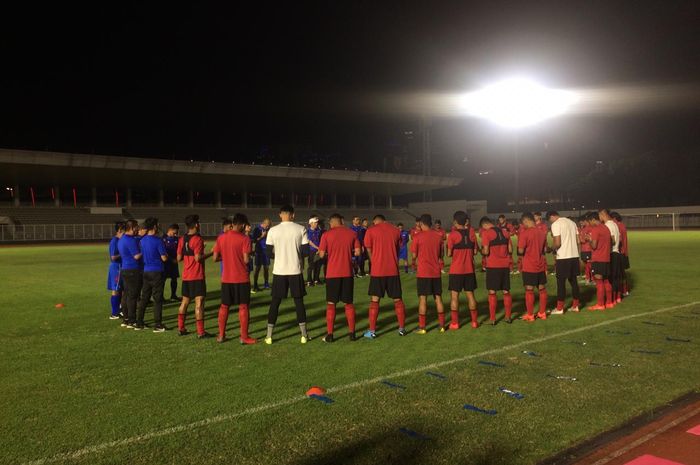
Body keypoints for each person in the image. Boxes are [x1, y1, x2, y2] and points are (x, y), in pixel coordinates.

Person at [265, 205, 310, 344]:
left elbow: (268, 253)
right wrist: (294, 255)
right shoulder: (300, 229)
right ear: (293, 215)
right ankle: (303, 335)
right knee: (299, 303)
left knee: (275, 303)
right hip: (295, 271)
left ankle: (269, 336)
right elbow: (306, 252)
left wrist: (279, 256)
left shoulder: (272, 230)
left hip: (279, 271)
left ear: (280, 215)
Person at [213, 213, 256, 345]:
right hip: (241, 278)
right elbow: (246, 259)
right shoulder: (245, 239)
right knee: (243, 307)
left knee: (224, 306)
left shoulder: (221, 238)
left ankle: (221, 335)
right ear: (242, 225)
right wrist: (250, 255)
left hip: (226, 278)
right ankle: (243, 337)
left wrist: (226, 258)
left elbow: (215, 258)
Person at [318, 213, 361, 342]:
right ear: (341, 221)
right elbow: (358, 252)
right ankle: (352, 333)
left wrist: (328, 254)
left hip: (332, 273)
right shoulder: (352, 233)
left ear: (331, 223)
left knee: (331, 304)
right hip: (347, 273)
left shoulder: (326, 235)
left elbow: (321, 255)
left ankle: (330, 335)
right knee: (348, 303)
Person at [363, 214, 406, 338]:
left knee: (375, 300)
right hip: (392, 270)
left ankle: (372, 331)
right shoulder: (396, 230)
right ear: (385, 220)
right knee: (398, 300)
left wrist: (374, 261)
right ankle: (402, 328)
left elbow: (369, 249)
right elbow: (398, 248)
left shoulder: (371, 231)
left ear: (375, 221)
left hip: (378, 271)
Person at [177, 214, 213, 338]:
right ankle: (201, 332)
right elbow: (198, 258)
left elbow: (179, 258)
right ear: (196, 225)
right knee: (199, 304)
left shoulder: (182, 239)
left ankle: (181, 328)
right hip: (197, 276)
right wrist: (211, 253)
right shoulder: (197, 239)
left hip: (186, 276)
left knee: (184, 302)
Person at [411, 214, 446, 333]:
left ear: (421, 223)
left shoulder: (417, 237)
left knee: (423, 299)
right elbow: (441, 255)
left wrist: (414, 261)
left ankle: (422, 327)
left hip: (423, 273)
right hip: (435, 272)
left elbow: (414, 255)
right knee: (438, 298)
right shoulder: (438, 236)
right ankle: (441, 326)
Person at [447, 211, 479, 329]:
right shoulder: (471, 233)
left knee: (454, 296)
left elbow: (449, 254)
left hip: (456, 270)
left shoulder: (452, 235)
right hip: (469, 270)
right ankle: (474, 322)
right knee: (470, 295)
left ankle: (455, 323)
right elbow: (475, 251)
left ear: (455, 221)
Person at [136, 217, 168, 331]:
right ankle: (158, 324)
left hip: (146, 271)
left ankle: (139, 322)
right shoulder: (158, 240)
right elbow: (164, 258)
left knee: (144, 297)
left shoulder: (142, 240)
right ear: (154, 227)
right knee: (157, 299)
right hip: (157, 271)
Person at [480, 216, 514, 324]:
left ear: (484, 225)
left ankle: (493, 318)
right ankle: (508, 317)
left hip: (493, 266)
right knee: (506, 291)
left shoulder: (486, 233)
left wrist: (482, 251)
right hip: (505, 266)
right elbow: (510, 250)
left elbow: (485, 252)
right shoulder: (505, 232)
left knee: (492, 292)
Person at [547, 211, 581, 314]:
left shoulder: (556, 224)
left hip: (563, 257)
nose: (550, 222)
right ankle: (575, 306)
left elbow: (557, 243)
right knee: (574, 282)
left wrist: (551, 249)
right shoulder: (572, 223)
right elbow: (578, 241)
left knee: (560, 283)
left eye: (550, 220)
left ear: (552, 216)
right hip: (574, 256)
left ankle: (560, 308)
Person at [518, 212, 548, 322]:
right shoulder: (542, 232)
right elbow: (545, 249)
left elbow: (520, 251)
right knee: (542, 289)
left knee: (529, 290)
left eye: (523, 223)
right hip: (540, 265)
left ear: (526, 221)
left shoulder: (525, 233)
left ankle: (530, 315)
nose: (523, 225)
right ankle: (542, 313)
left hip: (529, 266)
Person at [583, 212, 614, 310]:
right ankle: (609, 302)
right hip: (606, 258)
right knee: (606, 281)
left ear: (593, 220)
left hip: (598, 258)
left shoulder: (596, 229)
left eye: (589, 221)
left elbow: (594, 246)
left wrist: (589, 239)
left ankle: (600, 304)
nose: (589, 224)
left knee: (599, 282)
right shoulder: (606, 228)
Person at [117, 219, 142, 328]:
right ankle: (132, 320)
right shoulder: (130, 240)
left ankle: (126, 319)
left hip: (125, 269)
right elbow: (136, 256)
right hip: (133, 270)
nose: (138, 229)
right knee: (133, 296)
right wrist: (145, 250)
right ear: (131, 227)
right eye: (136, 227)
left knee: (126, 294)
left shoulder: (122, 239)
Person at [599, 209, 622, 306]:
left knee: (610, 277)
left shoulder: (607, 225)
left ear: (602, 214)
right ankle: (618, 297)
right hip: (617, 252)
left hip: (611, 253)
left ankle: (611, 299)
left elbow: (612, 240)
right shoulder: (615, 224)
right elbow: (619, 239)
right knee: (616, 276)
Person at [107, 221, 126, 320]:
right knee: (116, 290)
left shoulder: (120, 240)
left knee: (121, 289)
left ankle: (120, 310)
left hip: (120, 266)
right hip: (116, 267)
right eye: (124, 231)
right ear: (119, 230)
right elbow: (113, 257)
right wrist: (124, 253)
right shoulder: (115, 241)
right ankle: (114, 313)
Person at [611, 211, 630, 298]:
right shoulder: (622, 225)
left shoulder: (617, 226)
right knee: (623, 273)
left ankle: (622, 291)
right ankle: (625, 290)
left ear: (614, 218)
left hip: (620, 252)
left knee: (620, 274)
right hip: (624, 252)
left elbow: (620, 240)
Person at [252, 218, 271, 293]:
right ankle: (255, 284)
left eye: (268, 226)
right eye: (267, 226)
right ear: (264, 223)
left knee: (266, 268)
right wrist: (262, 236)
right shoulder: (257, 229)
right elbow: (254, 240)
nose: (267, 227)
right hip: (259, 251)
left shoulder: (268, 230)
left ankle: (266, 284)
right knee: (258, 268)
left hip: (266, 251)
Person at [162, 224, 181, 301]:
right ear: (170, 230)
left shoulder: (177, 239)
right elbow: (163, 252)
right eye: (174, 233)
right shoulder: (163, 239)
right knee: (163, 279)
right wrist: (171, 259)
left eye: (176, 233)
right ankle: (161, 296)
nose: (175, 234)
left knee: (174, 279)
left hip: (174, 262)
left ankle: (173, 295)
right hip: (165, 262)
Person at [306, 216, 324, 286]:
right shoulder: (308, 231)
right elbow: (310, 242)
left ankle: (316, 279)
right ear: (311, 223)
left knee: (318, 265)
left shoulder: (318, 231)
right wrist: (318, 248)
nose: (316, 224)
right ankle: (309, 281)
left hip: (318, 250)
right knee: (311, 266)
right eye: (315, 223)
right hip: (312, 251)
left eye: (317, 223)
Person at [578, 217, 593, 285]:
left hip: (588, 249)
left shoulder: (589, 228)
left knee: (589, 265)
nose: (581, 223)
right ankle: (587, 278)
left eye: (582, 221)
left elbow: (586, 239)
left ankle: (591, 279)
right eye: (580, 222)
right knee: (586, 265)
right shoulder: (582, 228)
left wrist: (580, 239)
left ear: (586, 221)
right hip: (583, 249)